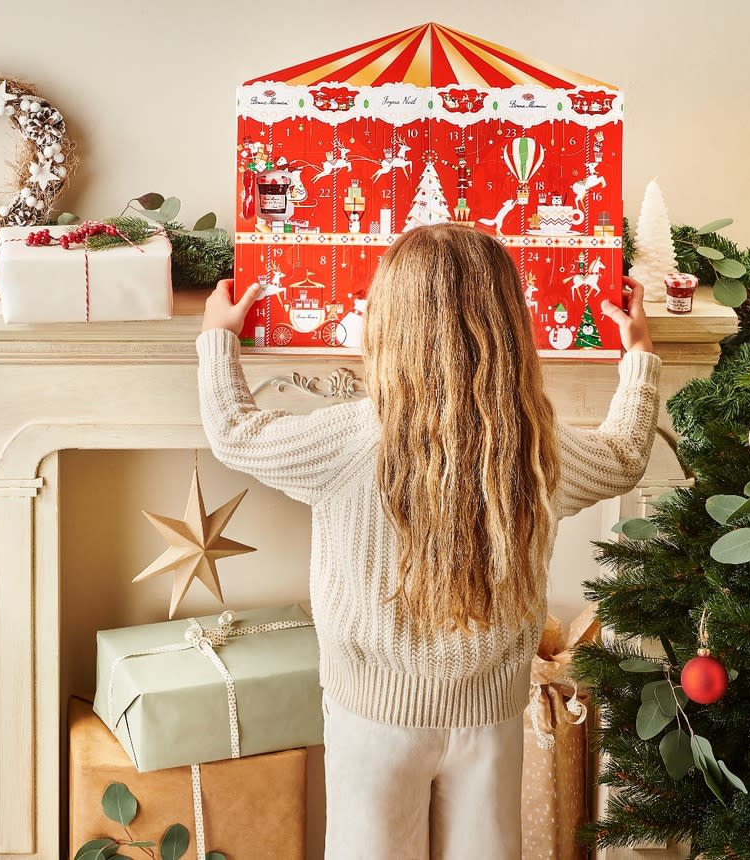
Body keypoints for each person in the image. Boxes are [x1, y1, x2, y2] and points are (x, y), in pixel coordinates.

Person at [197, 224, 661, 859]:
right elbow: (628, 454)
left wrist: (218, 337)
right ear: (509, 327)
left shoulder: (347, 442)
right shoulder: (533, 450)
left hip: (372, 719)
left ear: (386, 324)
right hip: (492, 716)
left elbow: (232, 431)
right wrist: (636, 354)